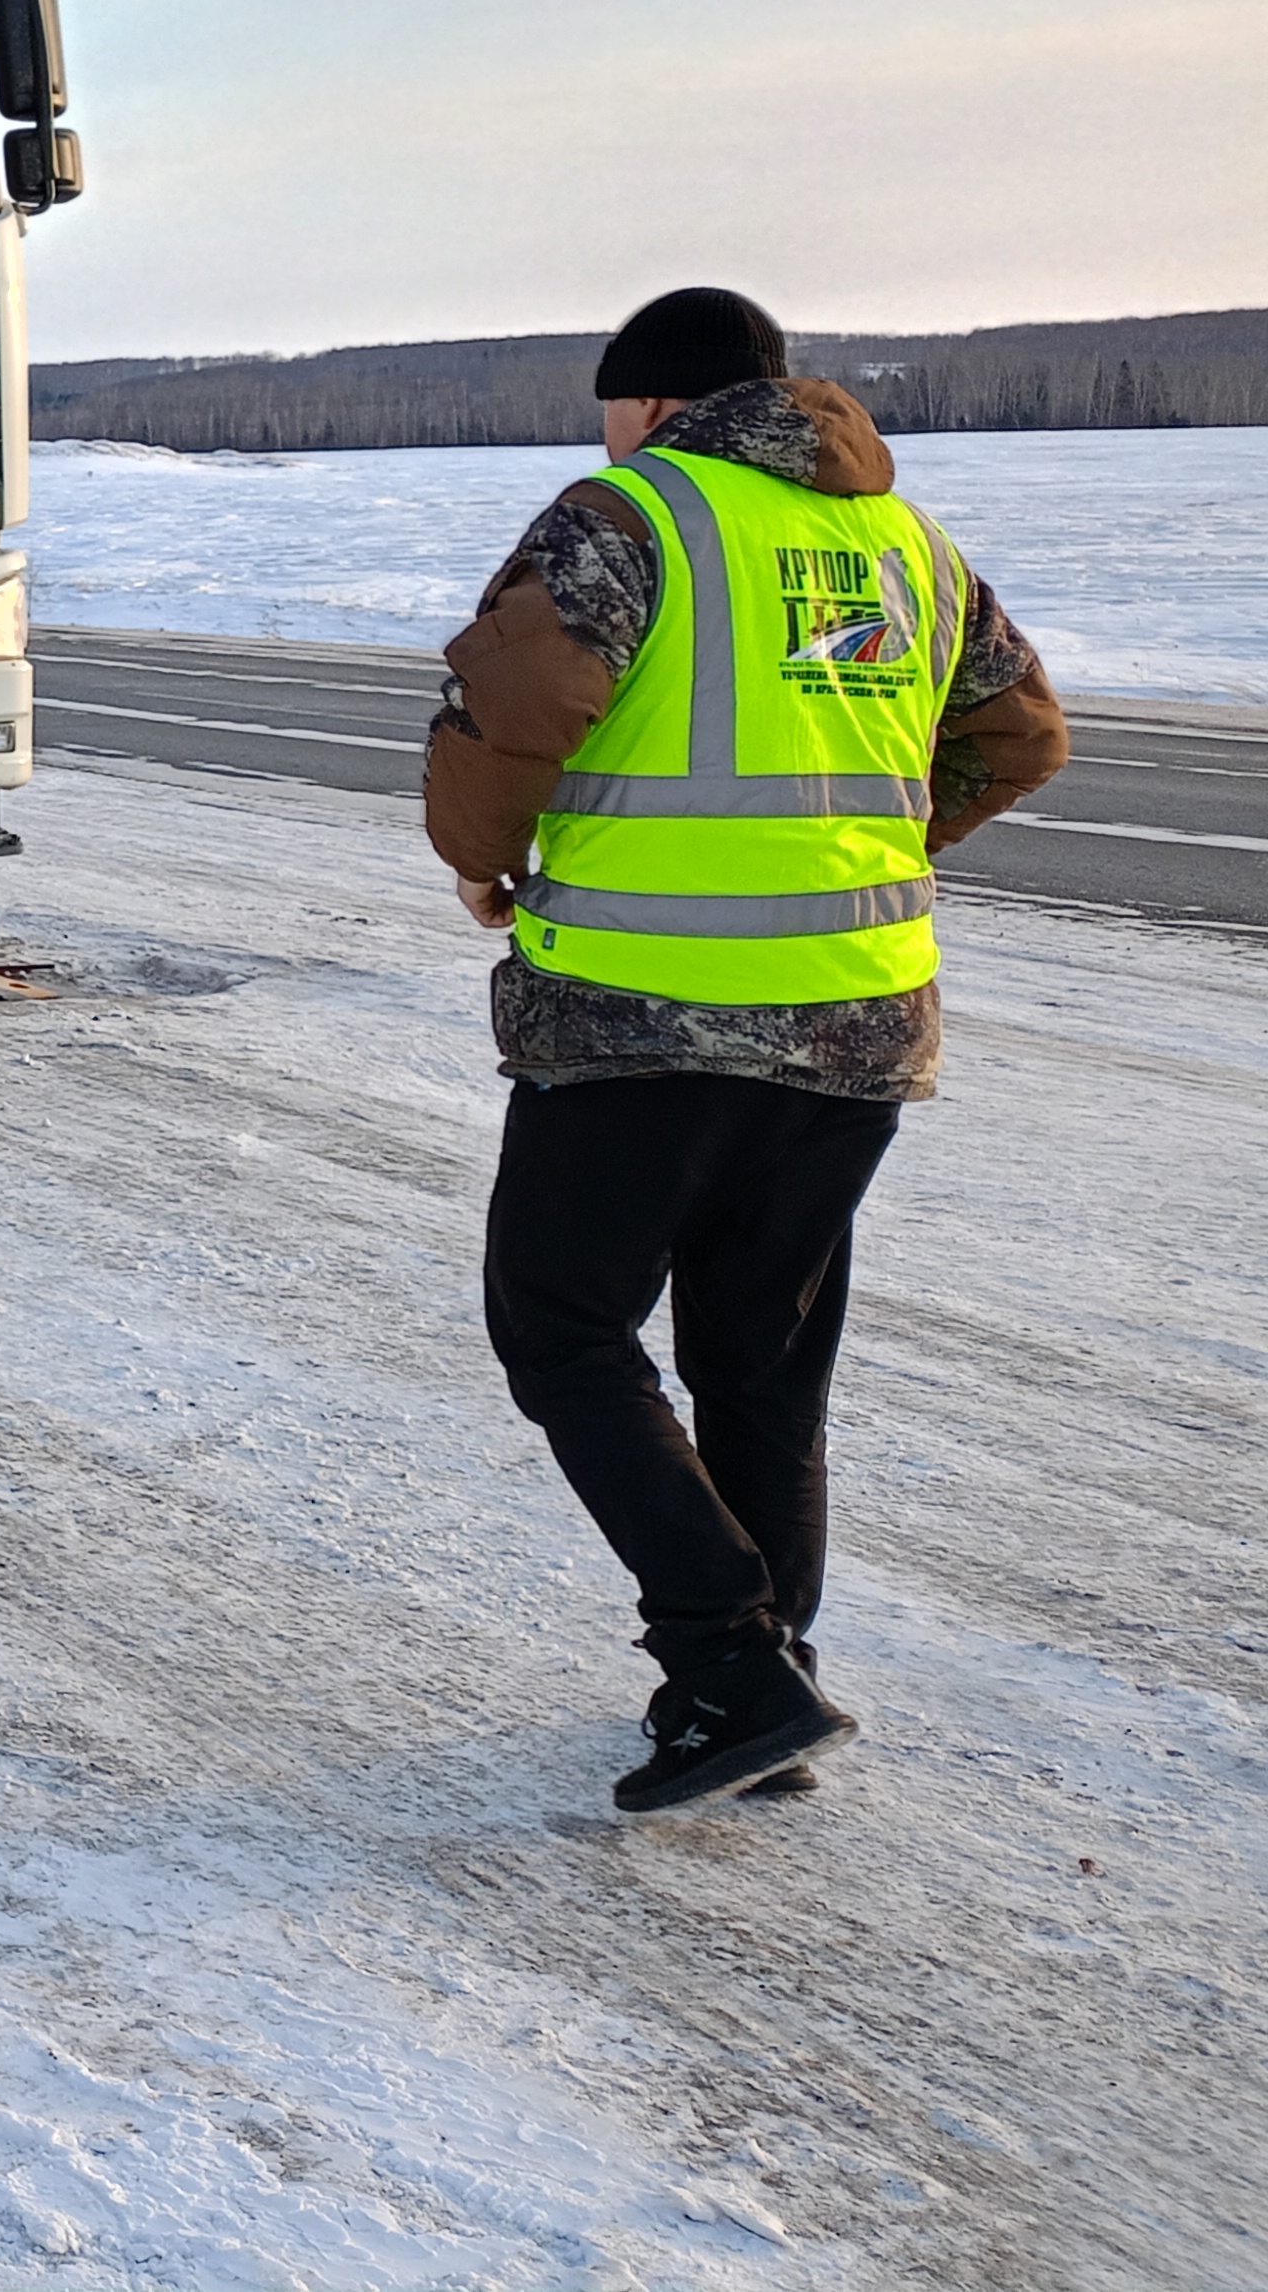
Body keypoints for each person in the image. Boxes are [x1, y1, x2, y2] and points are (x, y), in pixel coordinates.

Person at [426, 286, 1065, 1815]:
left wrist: (479, 857)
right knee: (761, 1361)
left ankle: (730, 1661)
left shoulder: (633, 514)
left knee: (563, 1330)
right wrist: (883, 833)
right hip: (860, 1018)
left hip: (645, 1016)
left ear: (653, 403)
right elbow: (1021, 733)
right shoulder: (901, 542)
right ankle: (769, 1694)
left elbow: (514, 707)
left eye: (610, 407)